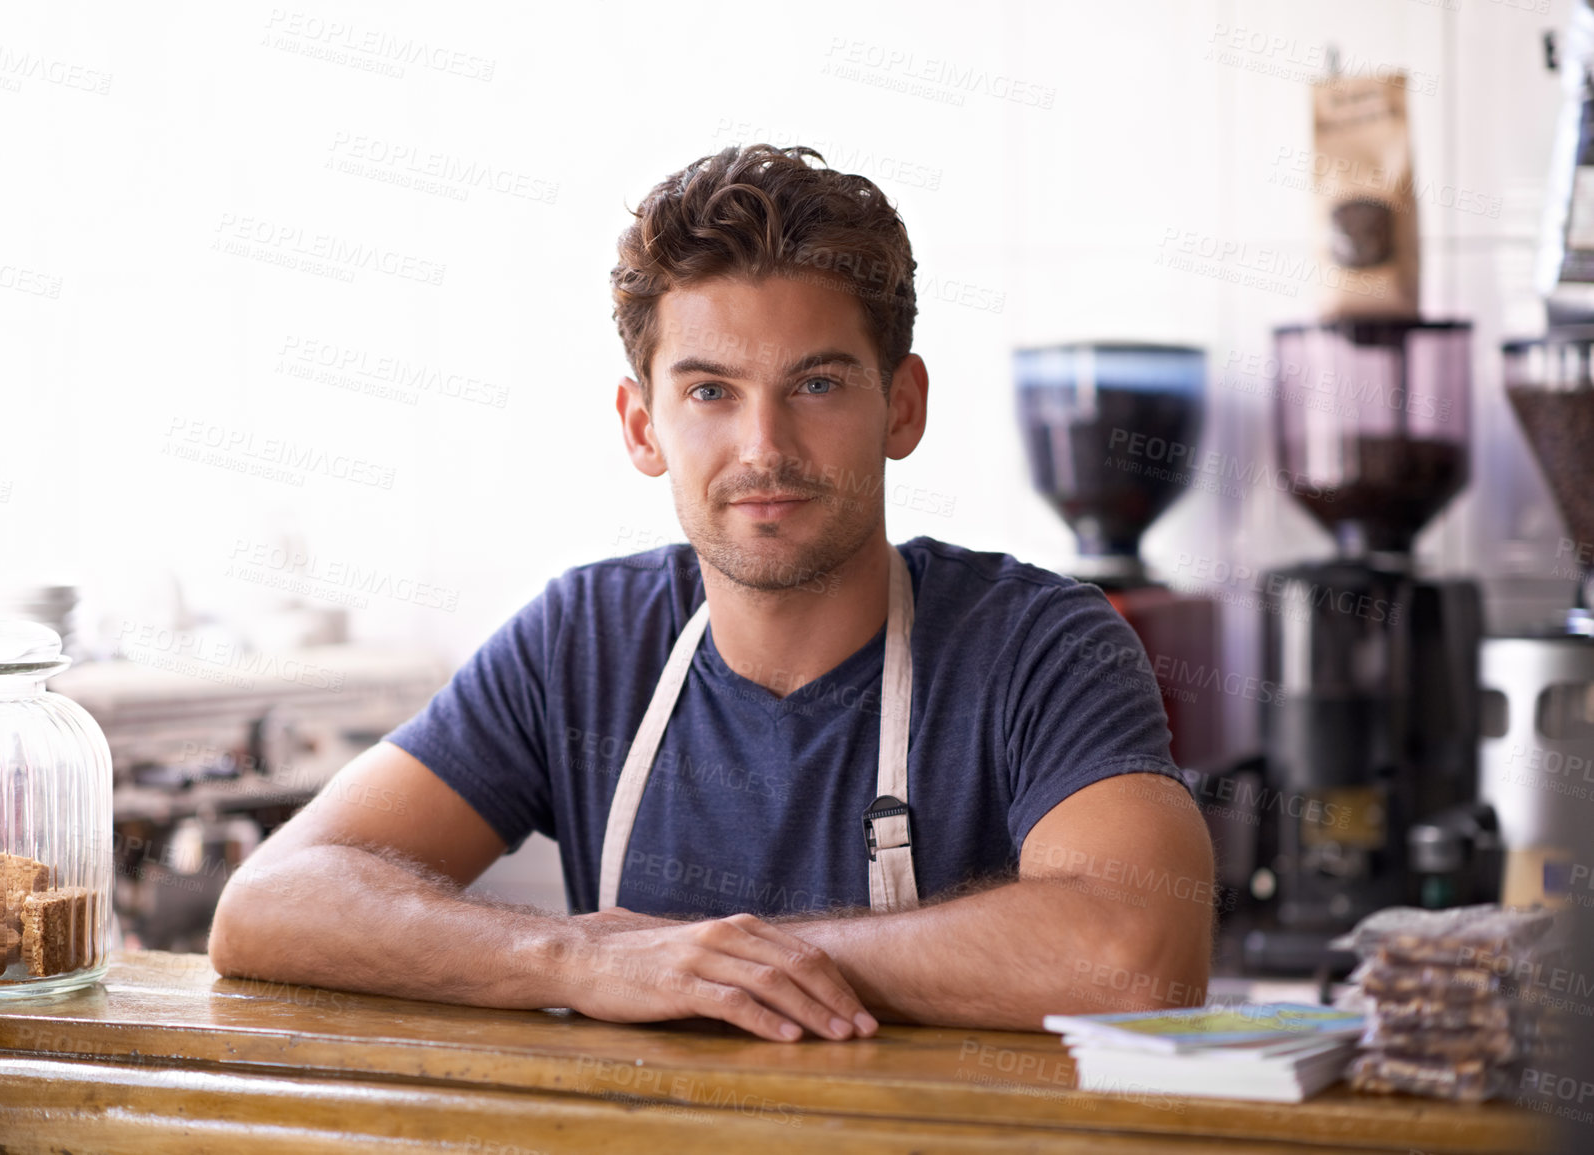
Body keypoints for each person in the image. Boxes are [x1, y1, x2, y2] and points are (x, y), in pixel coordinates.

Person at [209, 144, 1216, 1043]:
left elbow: (1134, 954)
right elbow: (270, 904)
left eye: (817, 384)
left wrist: (728, 963)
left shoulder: (1043, 645)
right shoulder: (581, 642)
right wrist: (586, 960)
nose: (764, 447)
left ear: (901, 406)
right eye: (709, 392)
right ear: (642, 426)